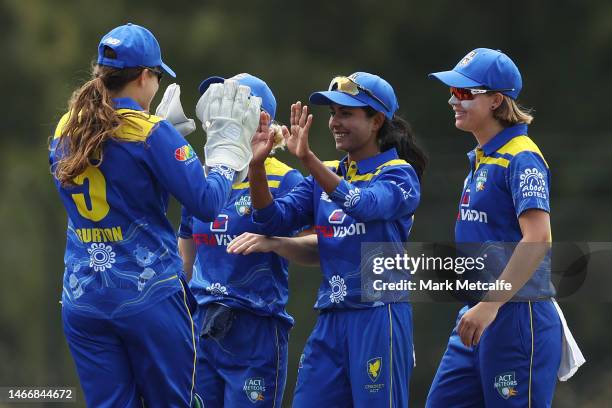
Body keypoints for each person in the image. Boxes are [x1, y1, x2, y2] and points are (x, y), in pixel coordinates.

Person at [49, 23, 260, 407]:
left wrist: (167, 146)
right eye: (157, 76)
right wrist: (227, 153)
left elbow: (117, 190)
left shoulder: (67, 127)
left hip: (83, 298)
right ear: (145, 76)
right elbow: (208, 202)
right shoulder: (150, 132)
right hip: (147, 298)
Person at [244, 72, 428, 407]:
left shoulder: (399, 174)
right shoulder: (326, 173)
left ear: (376, 120)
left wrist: (308, 160)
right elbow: (272, 219)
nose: (335, 122)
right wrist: (256, 166)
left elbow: (363, 204)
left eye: (346, 113)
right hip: (331, 315)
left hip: (379, 314)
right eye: (332, 114)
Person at [426, 48, 582, 407]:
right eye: (452, 91)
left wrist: (490, 305)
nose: (453, 100)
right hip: (476, 314)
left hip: (515, 315)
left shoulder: (521, 156)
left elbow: (538, 238)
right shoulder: (482, 157)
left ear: (496, 100)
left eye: (465, 93)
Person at [177, 73, 305, 407]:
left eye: (227, 104)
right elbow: (187, 244)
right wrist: (180, 314)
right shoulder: (206, 175)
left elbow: (320, 247)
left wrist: (275, 243)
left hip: (256, 331)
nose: (215, 115)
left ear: (258, 118)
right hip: (202, 328)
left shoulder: (286, 179)